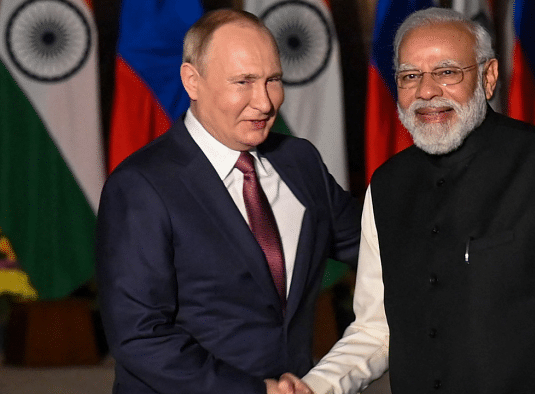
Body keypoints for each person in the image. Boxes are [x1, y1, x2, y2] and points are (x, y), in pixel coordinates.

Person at [301, 7, 535, 394]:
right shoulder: (386, 186)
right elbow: (377, 329)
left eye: (446, 72)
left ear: (488, 77)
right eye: (410, 76)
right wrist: (315, 387)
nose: (426, 92)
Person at [96, 9, 359, 394]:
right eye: (244, 81)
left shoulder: (300, 162)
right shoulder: (140, 186)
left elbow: (377, 243)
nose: (265, 102)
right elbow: (140, 336)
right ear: (192, 81)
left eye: (273, 81)